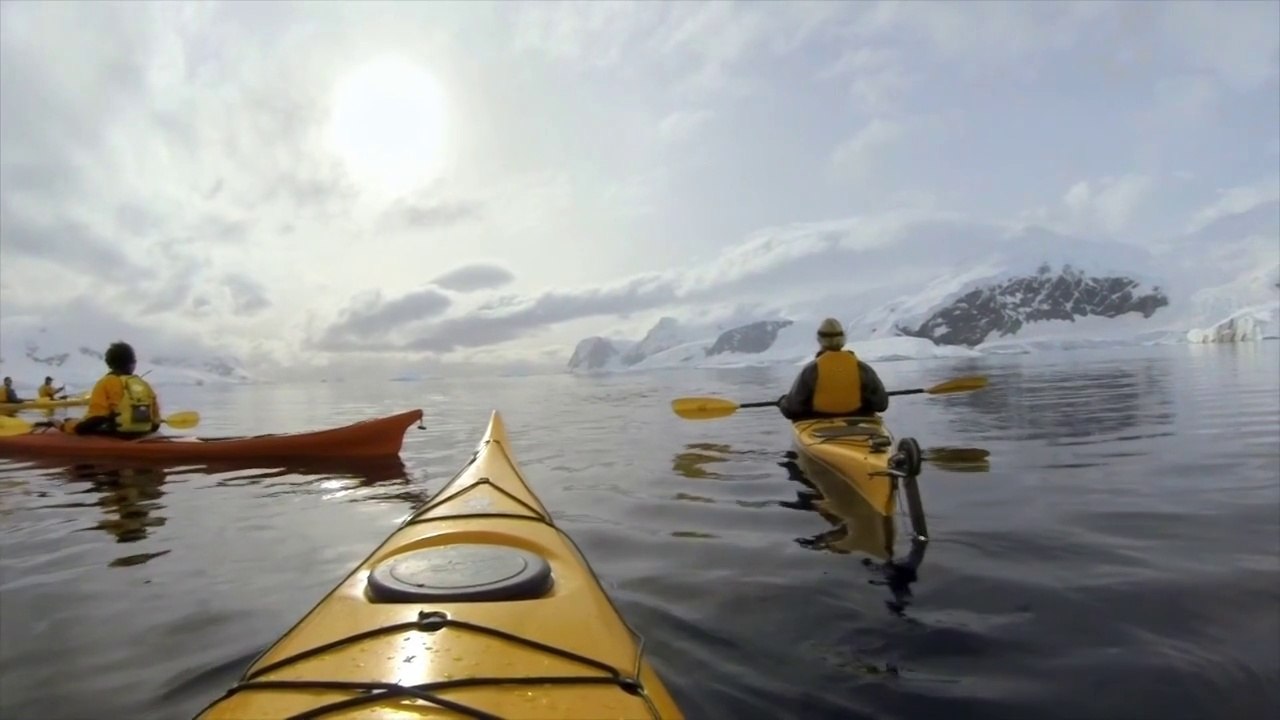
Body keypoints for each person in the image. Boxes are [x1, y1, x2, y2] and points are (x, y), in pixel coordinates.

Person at [777, 318, 889, 421]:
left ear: (819, 340)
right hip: (860, 423)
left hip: (818, 426)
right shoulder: (862, 368)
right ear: (843, 339)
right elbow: (881, 404)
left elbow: (793, 410)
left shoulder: (811, 370)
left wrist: (783, 402)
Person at [60, 341, 161, 437]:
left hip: (116, 434)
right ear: (133, 364)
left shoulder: (105, 383)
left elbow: (96, 419)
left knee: (70, 422)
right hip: (144, 431)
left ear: (109, 363)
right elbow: (156, 423)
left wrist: (69, 427)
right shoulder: (145, 385)